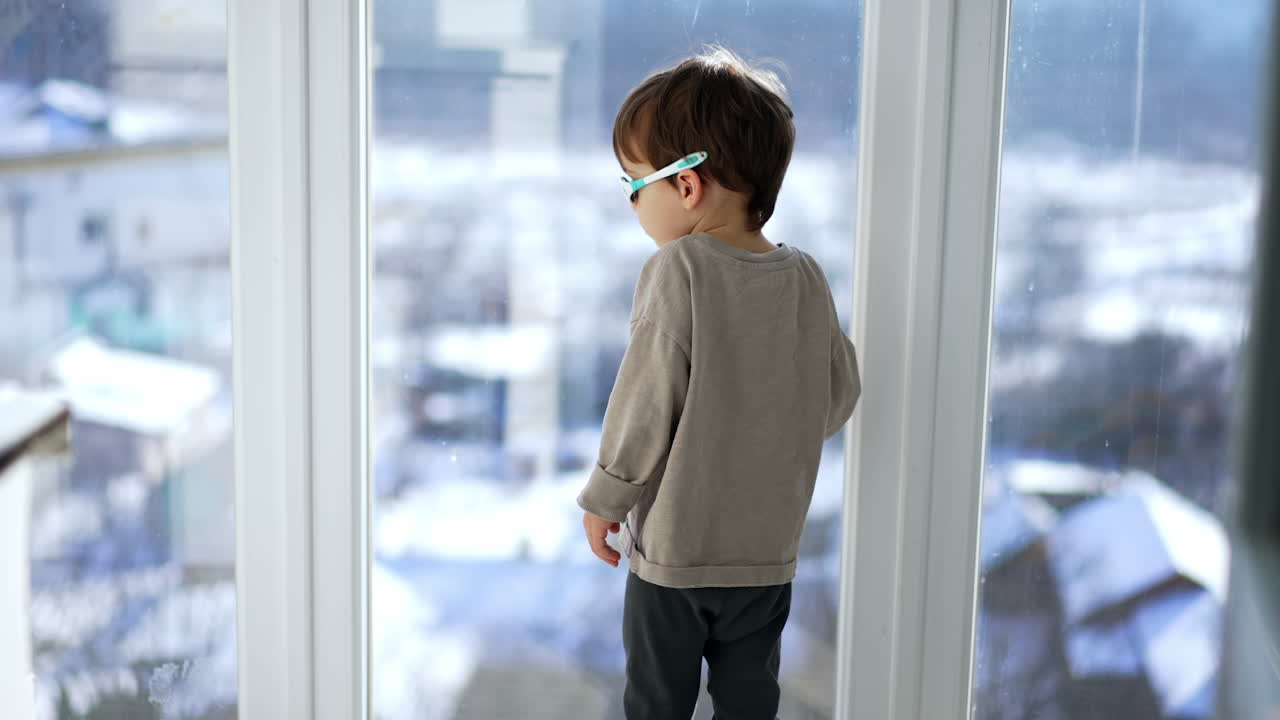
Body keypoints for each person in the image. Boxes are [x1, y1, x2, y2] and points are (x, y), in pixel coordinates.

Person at [576, 46, 862, 720]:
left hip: (677, 560)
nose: (632, 202)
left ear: (686, 186)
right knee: (750, 700)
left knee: (658, 701)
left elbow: (646, 400)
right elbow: (838, 394)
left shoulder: (678, 270)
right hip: (767, 556)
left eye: (633, 184)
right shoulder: (805, 277)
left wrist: (607, 497)